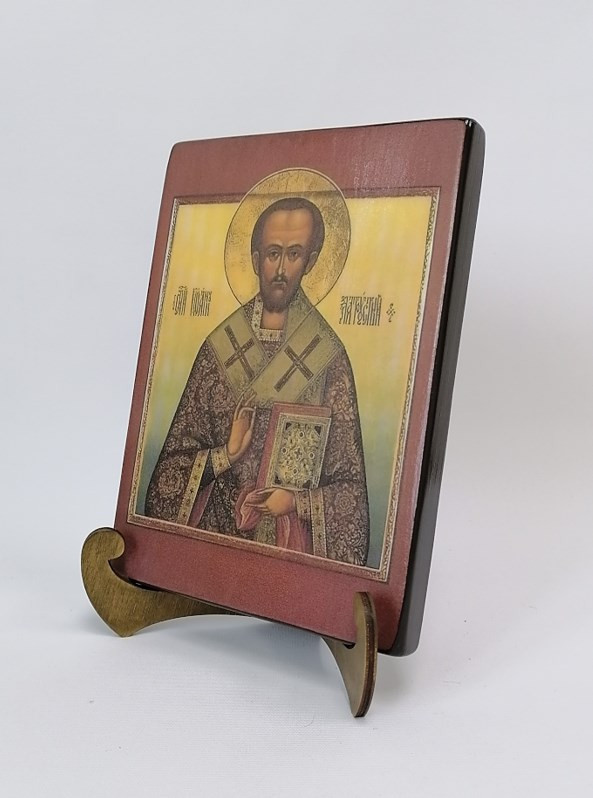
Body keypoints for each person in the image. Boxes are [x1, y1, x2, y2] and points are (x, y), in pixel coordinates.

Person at [145, 197, 369, 565]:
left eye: (294, 254)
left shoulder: (329, 358)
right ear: (254, 259)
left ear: (311, 261)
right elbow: (166, 480)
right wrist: (226, 455)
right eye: (272, 253)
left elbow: (351, 493)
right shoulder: (218, 350)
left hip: (288, 561)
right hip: (214, 549)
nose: (281, 269)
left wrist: (295, 502)